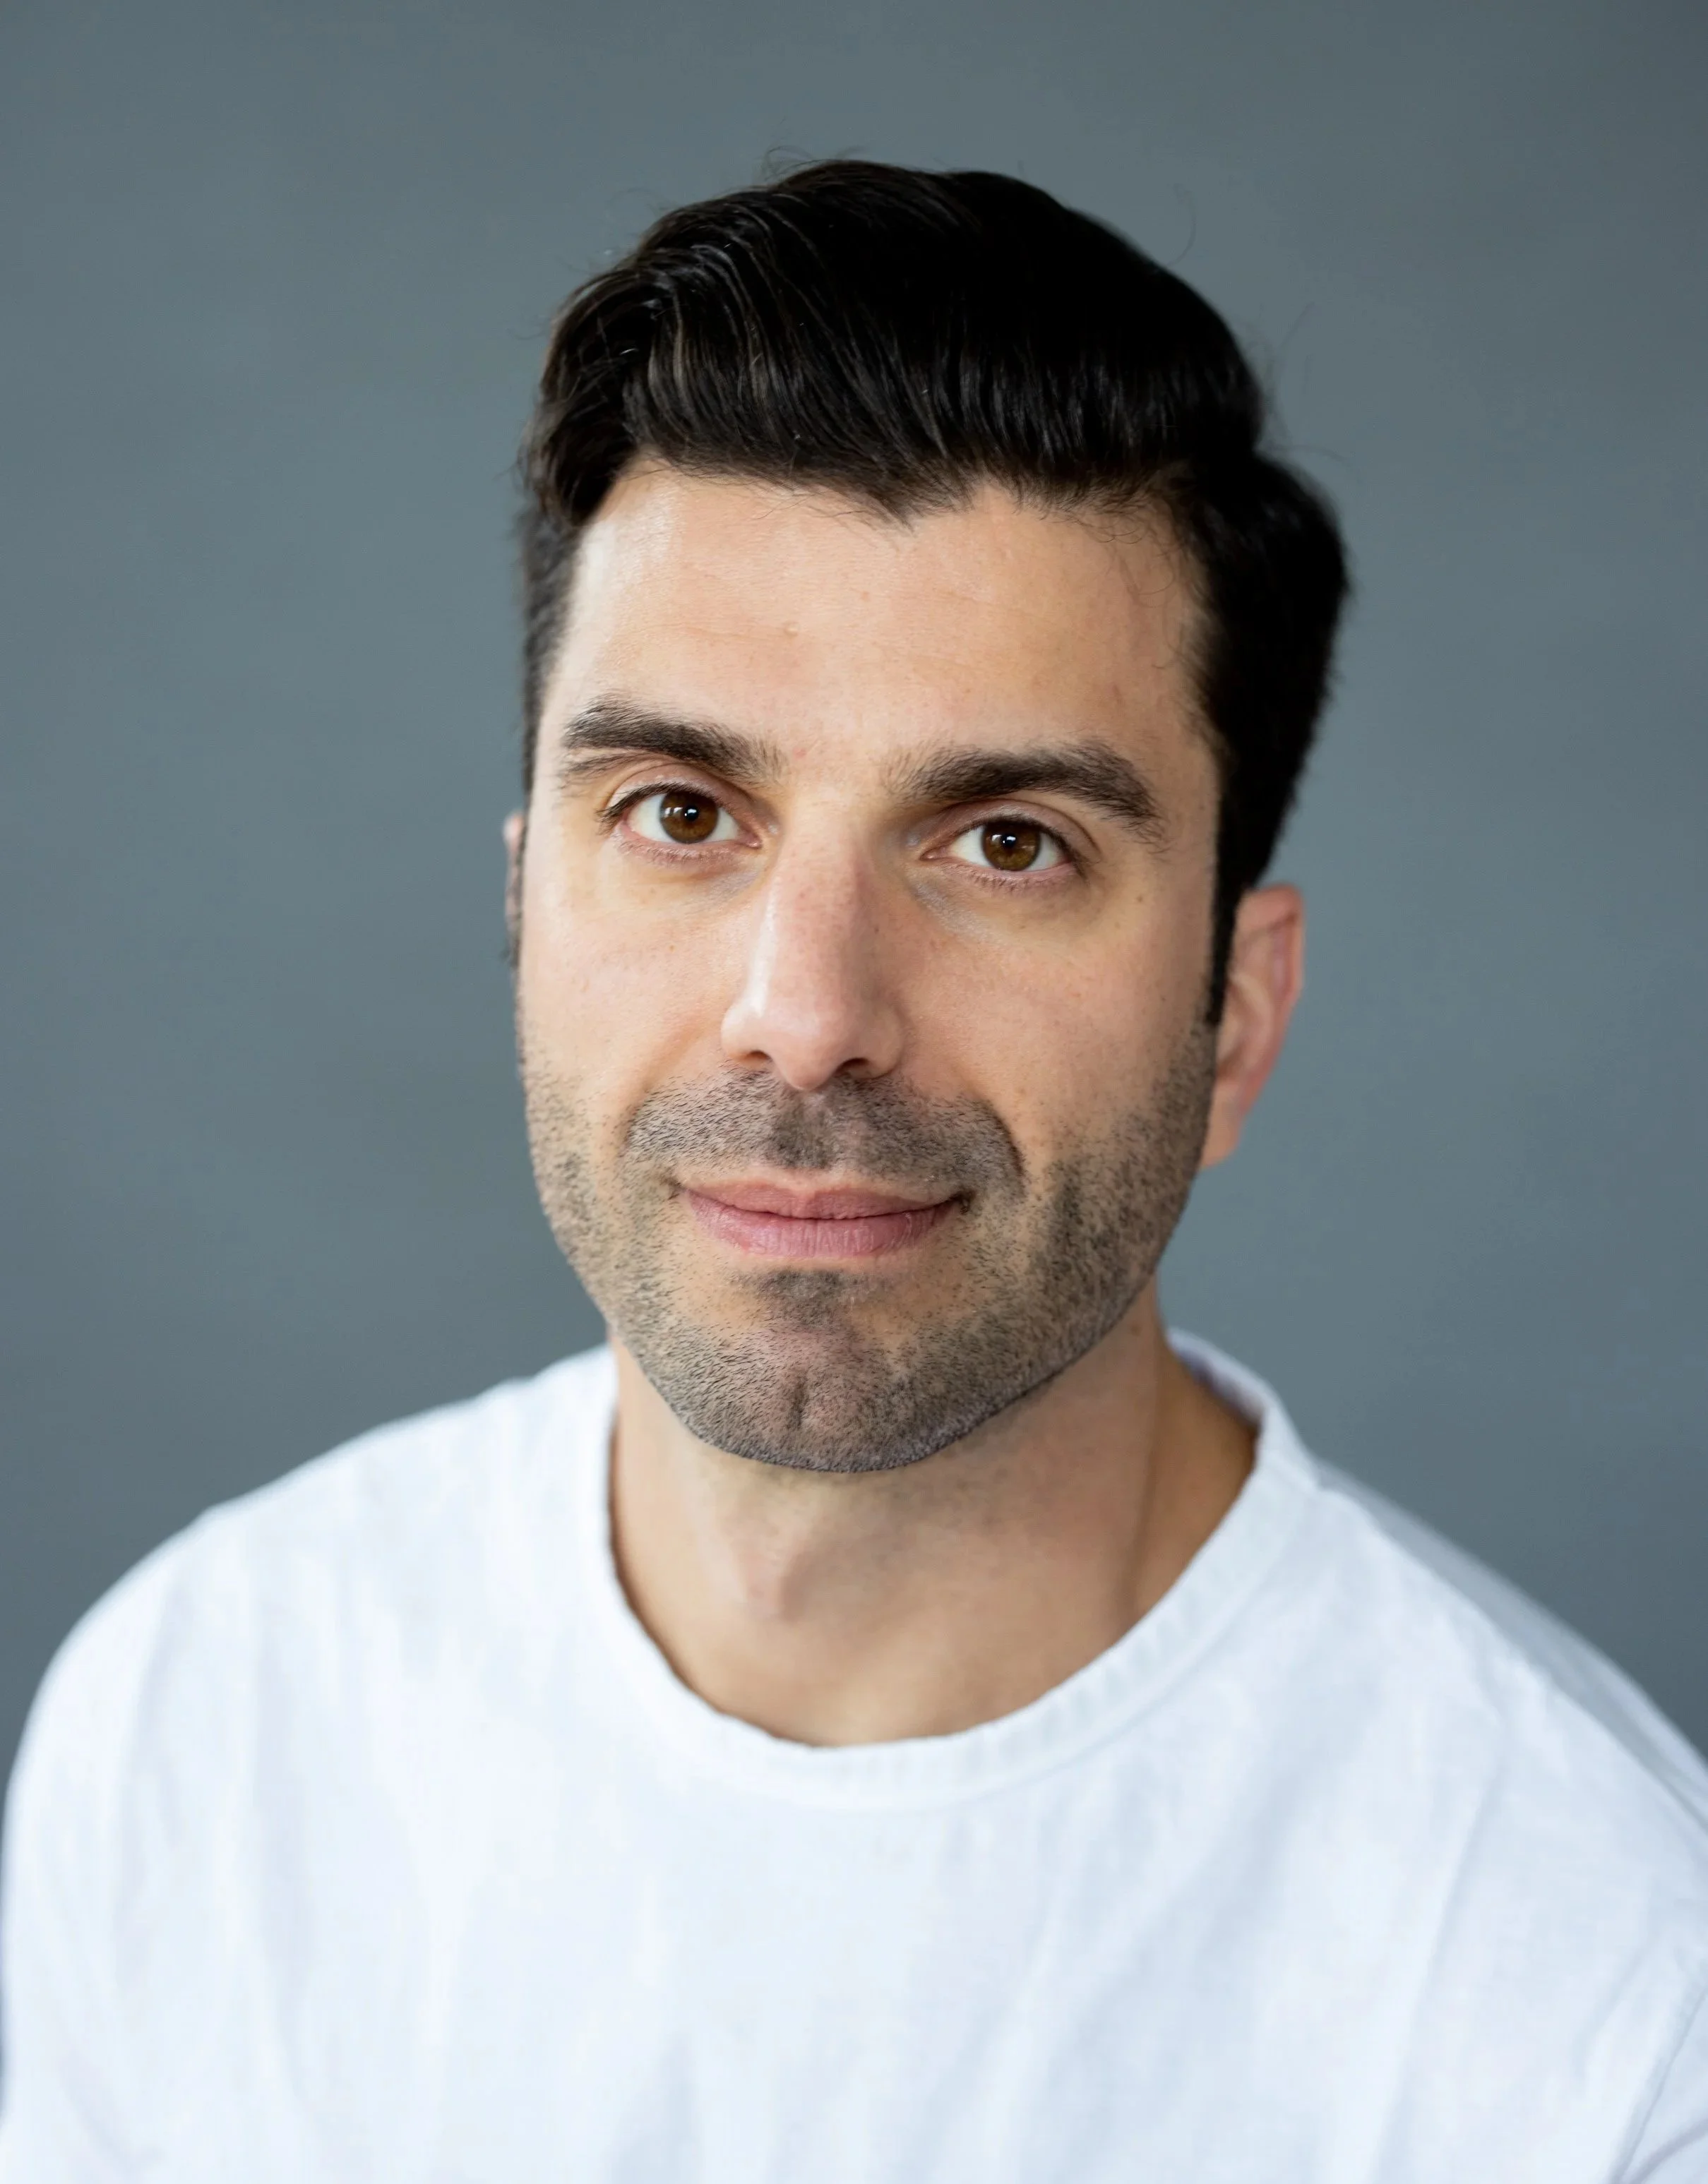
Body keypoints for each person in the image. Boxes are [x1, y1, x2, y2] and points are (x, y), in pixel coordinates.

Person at [1, 158, 1704, 2184]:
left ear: (1234, 1017)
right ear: (525, 905)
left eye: (1006, 843)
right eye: (681, 807)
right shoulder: (201, 1724)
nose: (805, 1012)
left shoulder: (1604, 1986)